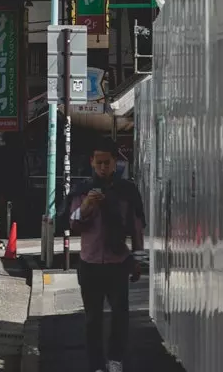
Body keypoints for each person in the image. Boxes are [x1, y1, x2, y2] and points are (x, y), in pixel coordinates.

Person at [70, 138, 145, 372]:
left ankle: (115, 359)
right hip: (89, 263)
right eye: (99, 162)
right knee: (92, 319)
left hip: (118, 262)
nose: (103, 167)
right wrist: (86, 207)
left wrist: (138, 260)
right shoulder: (82, 191)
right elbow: (72, 223)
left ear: (115, 163)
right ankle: (96, 365)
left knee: (120, 316)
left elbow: (136, 228)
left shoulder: (127, 192)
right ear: (92, 162)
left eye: (107, 162)